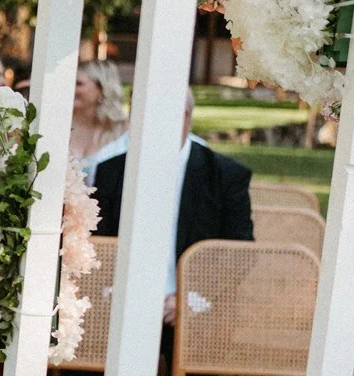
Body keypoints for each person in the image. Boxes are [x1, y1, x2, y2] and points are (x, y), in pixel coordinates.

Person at [92, 88, 253, 325]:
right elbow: (98, 243)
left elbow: (239, 252)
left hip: (199, 312)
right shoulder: (111, 171)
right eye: (137, 114)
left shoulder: (224, 175)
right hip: (120, 306)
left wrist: (189, 300)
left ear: (184, 117)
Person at [70, 59, 129, 173]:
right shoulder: (61, 125)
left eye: (78, 84)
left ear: (102, 89)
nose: (71, 88)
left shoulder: (123, 130)